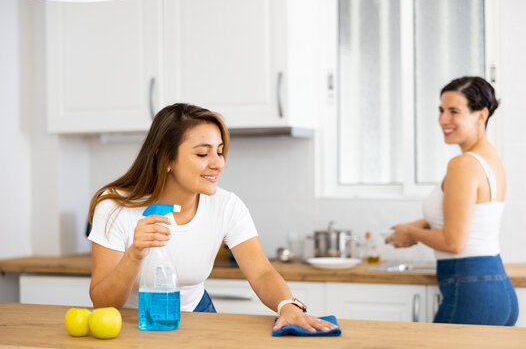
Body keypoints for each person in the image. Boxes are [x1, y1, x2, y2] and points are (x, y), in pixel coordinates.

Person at [87, 103, 336, 333]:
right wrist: (135, 253)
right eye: (202, 154)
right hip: (131, 322)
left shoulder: (226, 205)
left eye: (219, 151)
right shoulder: (115, 206)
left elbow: (261, 272)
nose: (218, 163)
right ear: (166, 158)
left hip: (198, 315)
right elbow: (102, 302)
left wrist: (287, 306)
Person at [386, 76, 518, 326]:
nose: (443, 120)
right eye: (441, 110)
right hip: (497, 288)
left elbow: (453, 241)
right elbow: (470, 217)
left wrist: (411, 233)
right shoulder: (490, 159)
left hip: (471, 289)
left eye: (454, 111)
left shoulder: (463, 164)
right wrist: (420, 225)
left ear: (481, 115)